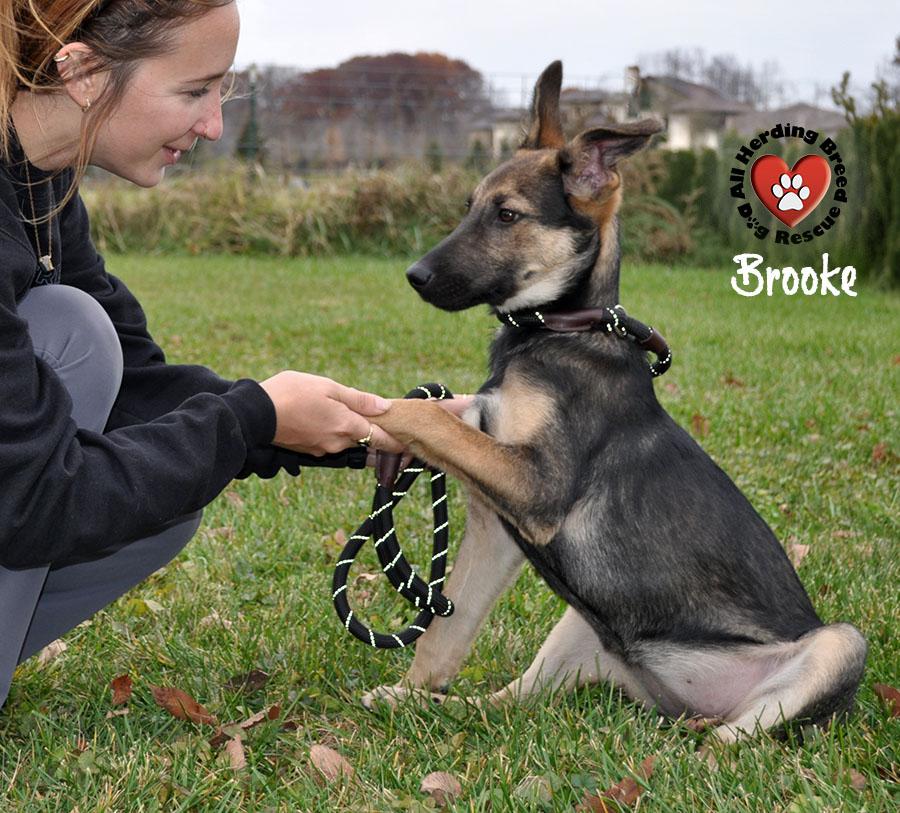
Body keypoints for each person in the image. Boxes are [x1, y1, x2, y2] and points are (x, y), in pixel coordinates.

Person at [0, 0, 466, 709]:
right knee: (72, 330)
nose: (214, 124)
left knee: (166, 479)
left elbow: (140, 392)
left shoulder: (41, 185)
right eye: (193, 91)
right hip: (24, 499)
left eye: (221, 90)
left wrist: (382, 426)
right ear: (85, 72)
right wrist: (251, 418)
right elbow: (32, 500)